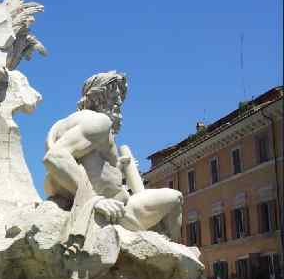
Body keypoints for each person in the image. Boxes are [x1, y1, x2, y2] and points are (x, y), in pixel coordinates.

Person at [44, 72, 183, 255]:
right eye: (117, 102)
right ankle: (174, 253)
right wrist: (94, 200)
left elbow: (78, 166)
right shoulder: (100, 122)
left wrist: (117, 167)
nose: (119, 110)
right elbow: (55, 157)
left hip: (107, 204)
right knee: (175, 197)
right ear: (102, 98)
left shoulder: (66, 123)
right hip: (119, 212)